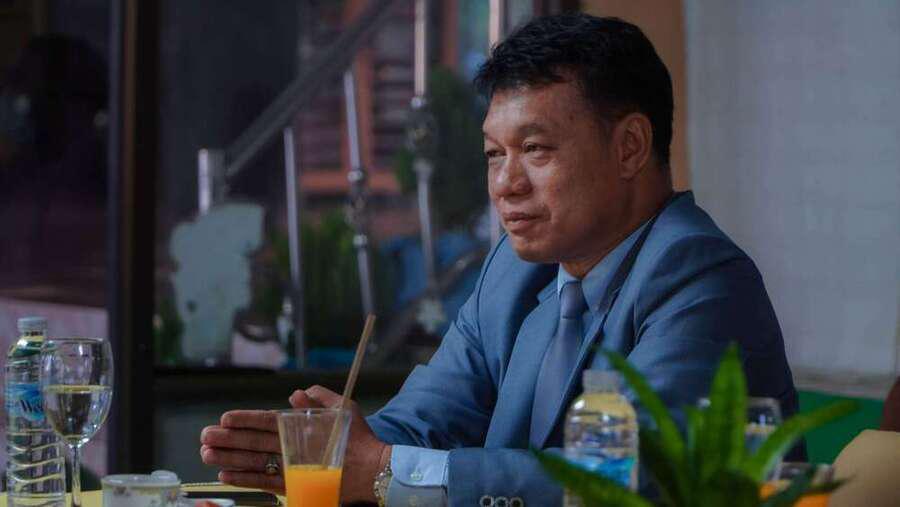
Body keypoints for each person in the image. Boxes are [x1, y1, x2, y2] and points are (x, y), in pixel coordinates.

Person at [200, 13, 799, 506]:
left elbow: (628, 482)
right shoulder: (515, 272)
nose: (505, 185)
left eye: (534, 149)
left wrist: (381, 469)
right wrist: (334, 454)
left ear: (630, 147)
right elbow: (429, 421)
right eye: (493, 154)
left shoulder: (698, 277)